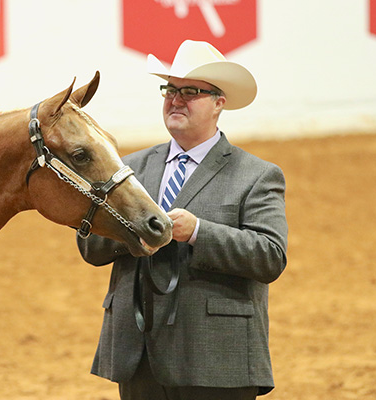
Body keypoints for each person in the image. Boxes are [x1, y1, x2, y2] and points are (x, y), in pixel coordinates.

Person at [77, 40, 288, 400]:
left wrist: (198, 233)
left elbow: (269, 255)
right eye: (170, 89)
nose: (175, 99)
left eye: (190, 91)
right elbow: (91, 246)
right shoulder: (128, 169)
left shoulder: (257, 175)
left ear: (219, 103)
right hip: (138, 352)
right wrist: (134, 232)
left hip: (216, 358)